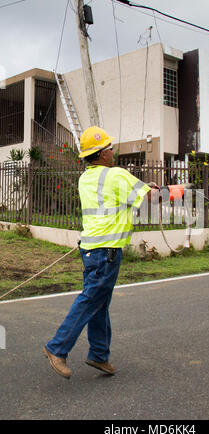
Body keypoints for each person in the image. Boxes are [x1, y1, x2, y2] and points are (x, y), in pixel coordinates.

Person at [43, 126, 155, 379]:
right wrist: (173, 192)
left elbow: (116, 198)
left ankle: (99, 354)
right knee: (93, 298)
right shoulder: (116, 175)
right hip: (107, 252)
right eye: (110, 147)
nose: (113, 151)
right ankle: (57, 348)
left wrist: (144, 187)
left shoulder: (87, 178)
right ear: (102, 154)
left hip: (91, 249)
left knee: (99, 301)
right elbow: (152, 201)